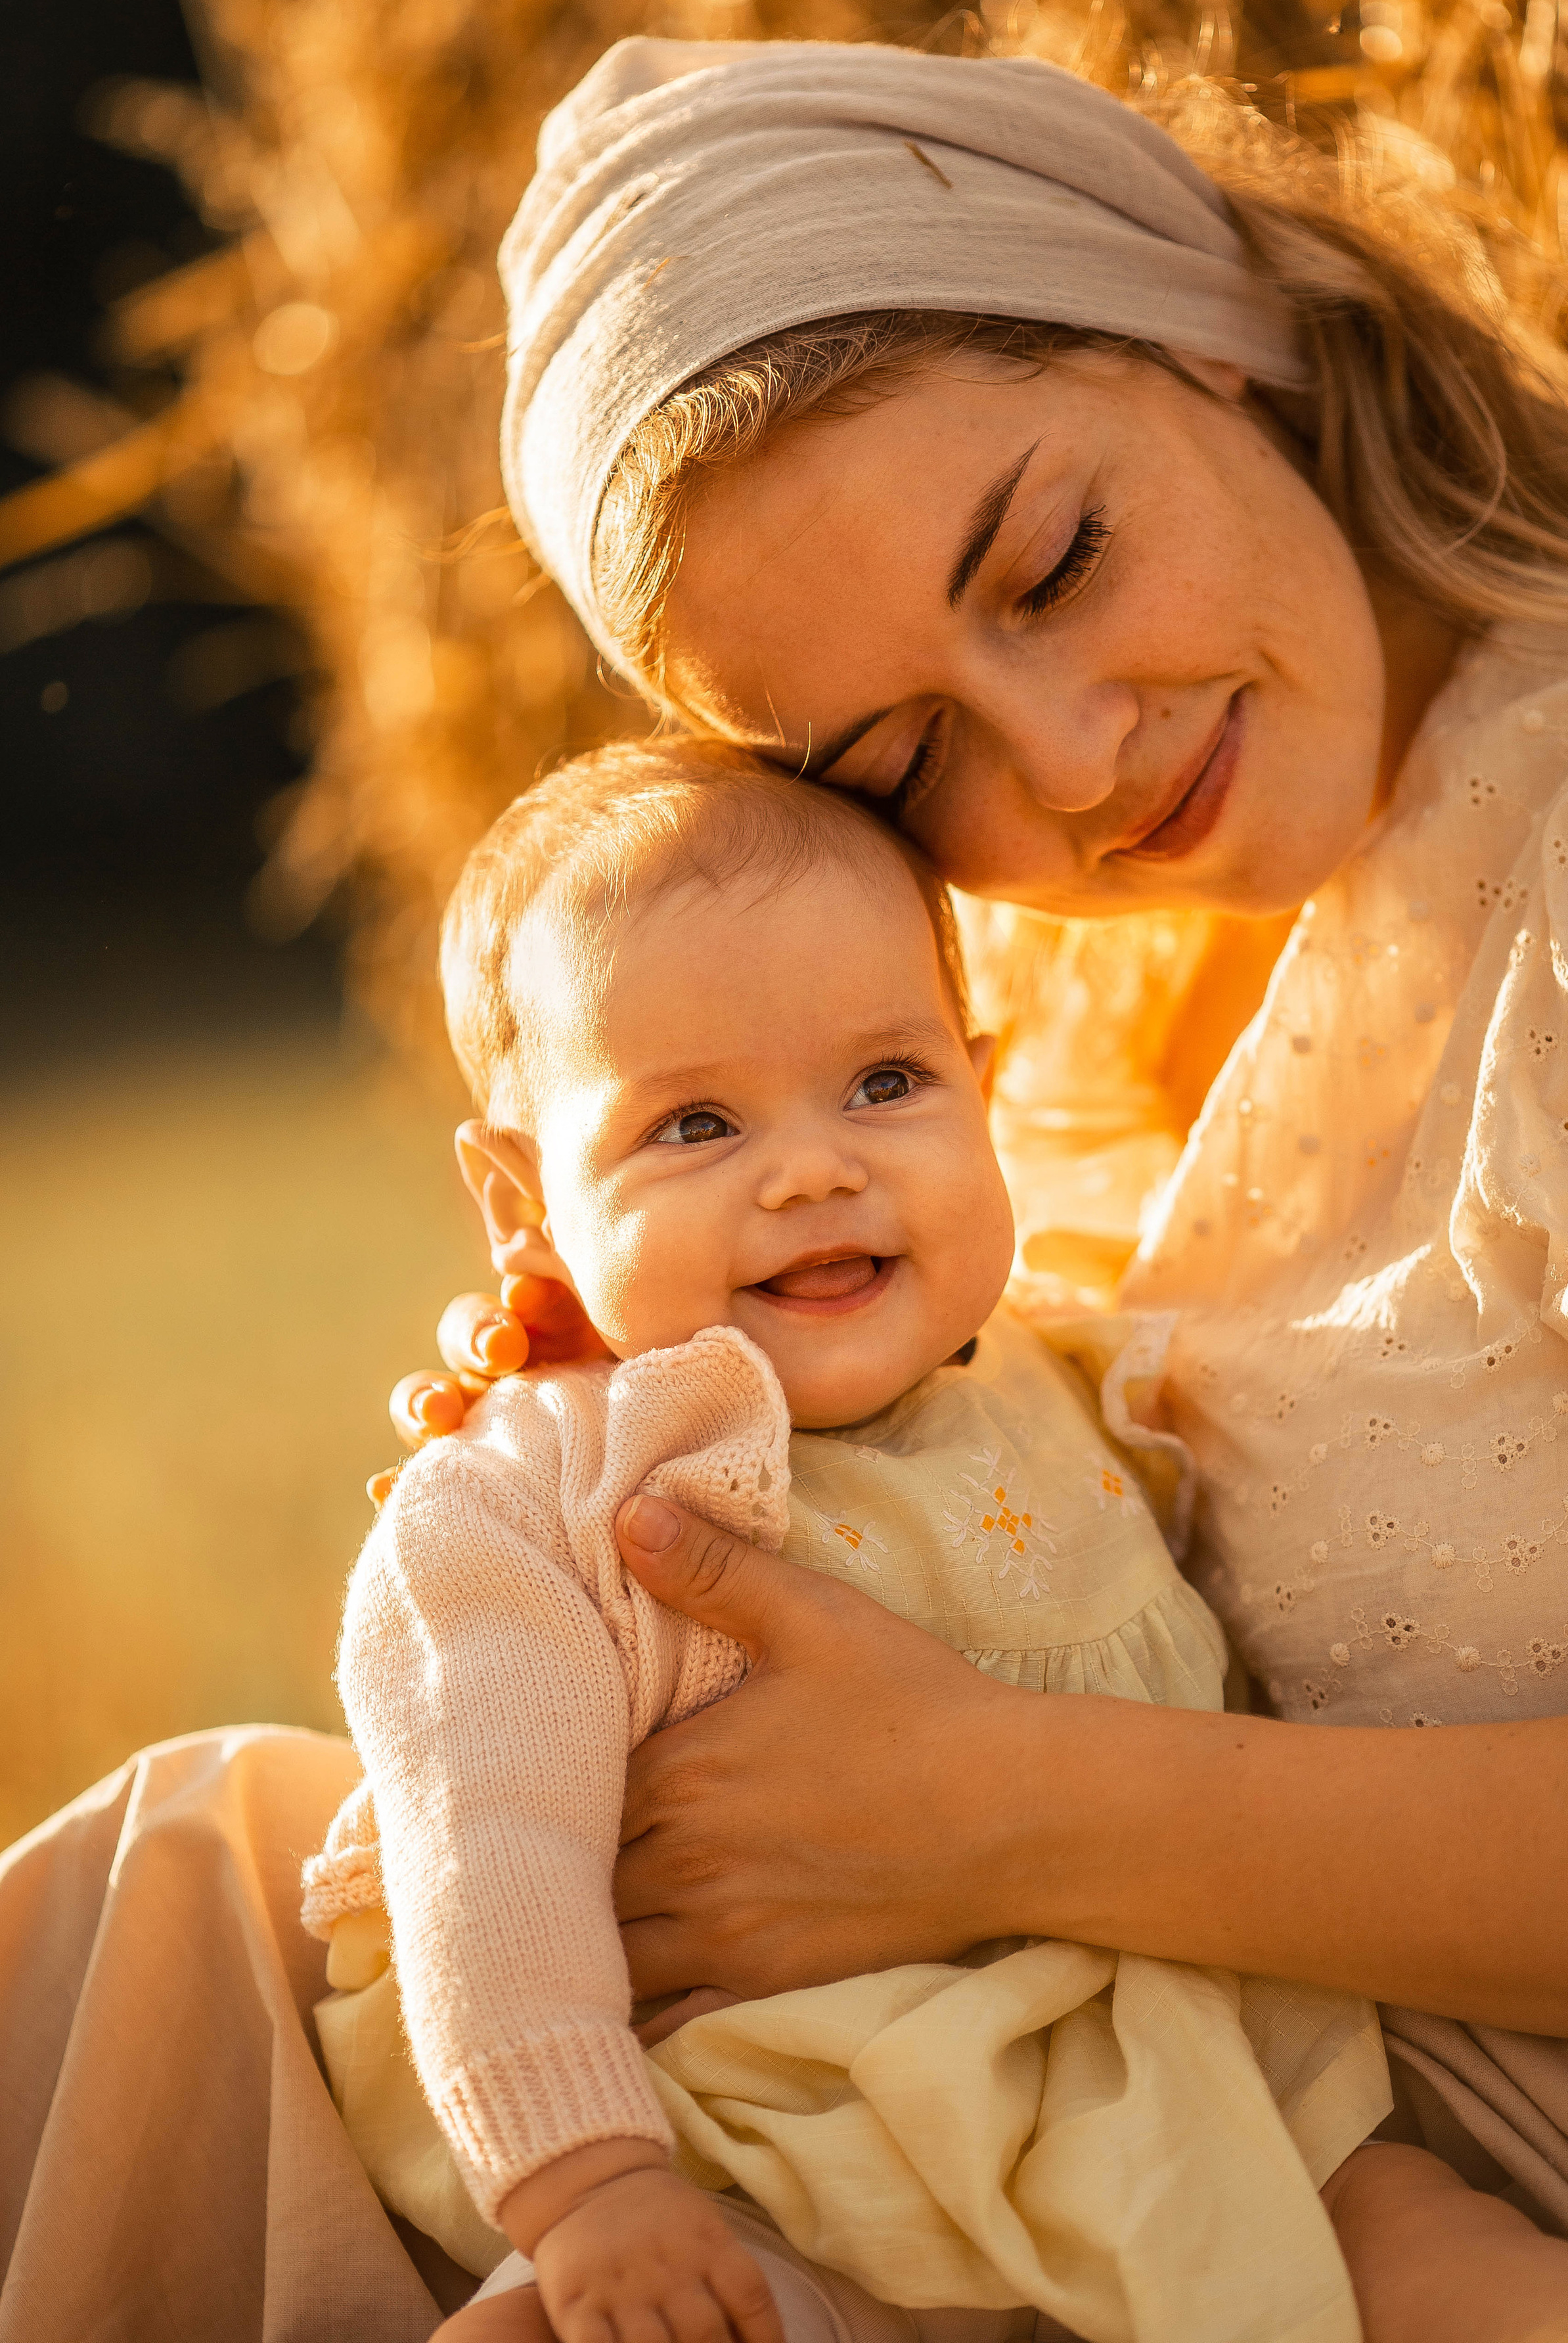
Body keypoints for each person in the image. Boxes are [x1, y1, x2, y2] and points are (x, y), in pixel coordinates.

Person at [4, 37, 1568, 2343]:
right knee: (173, 1878)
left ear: (1205, 322)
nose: (1076, 759)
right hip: (943, 2098)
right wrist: (673, 1390)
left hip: (1391, 2201)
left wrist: (995, 1806)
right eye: (901, 763)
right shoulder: (1032, 1006)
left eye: (1057, 558)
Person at [309, 733, 1387, 2343]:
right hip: (763, 2145)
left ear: (983, 1075)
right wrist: (589, 2185)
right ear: (523, 1206)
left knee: (1431, 2241)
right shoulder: (539, 1502)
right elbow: (486, 1853)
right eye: (691, 1127)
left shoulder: (1053, 1379)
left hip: (1168, 2063)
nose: (816, 1170)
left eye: (886, 1084)